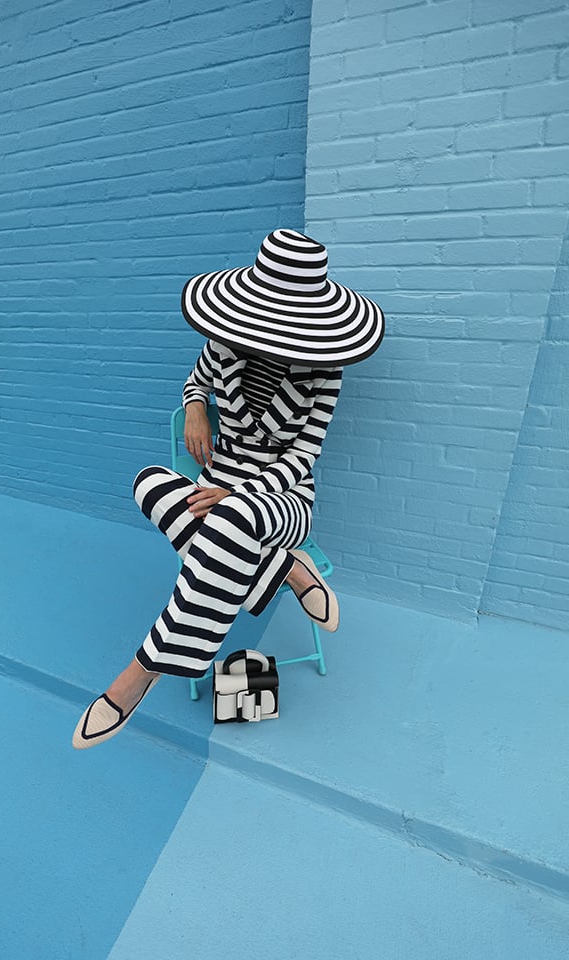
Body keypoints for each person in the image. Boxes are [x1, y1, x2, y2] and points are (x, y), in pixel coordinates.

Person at [72, 229, 384, 748]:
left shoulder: (325, 369)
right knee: (149, 481)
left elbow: (303, 456)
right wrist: (195, 407)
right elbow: (196, 382)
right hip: (218, 485)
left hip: (282, 499)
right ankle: (284, 570)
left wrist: (239, 496)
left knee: (231, 520)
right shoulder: (223, 342)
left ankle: (140, 673)